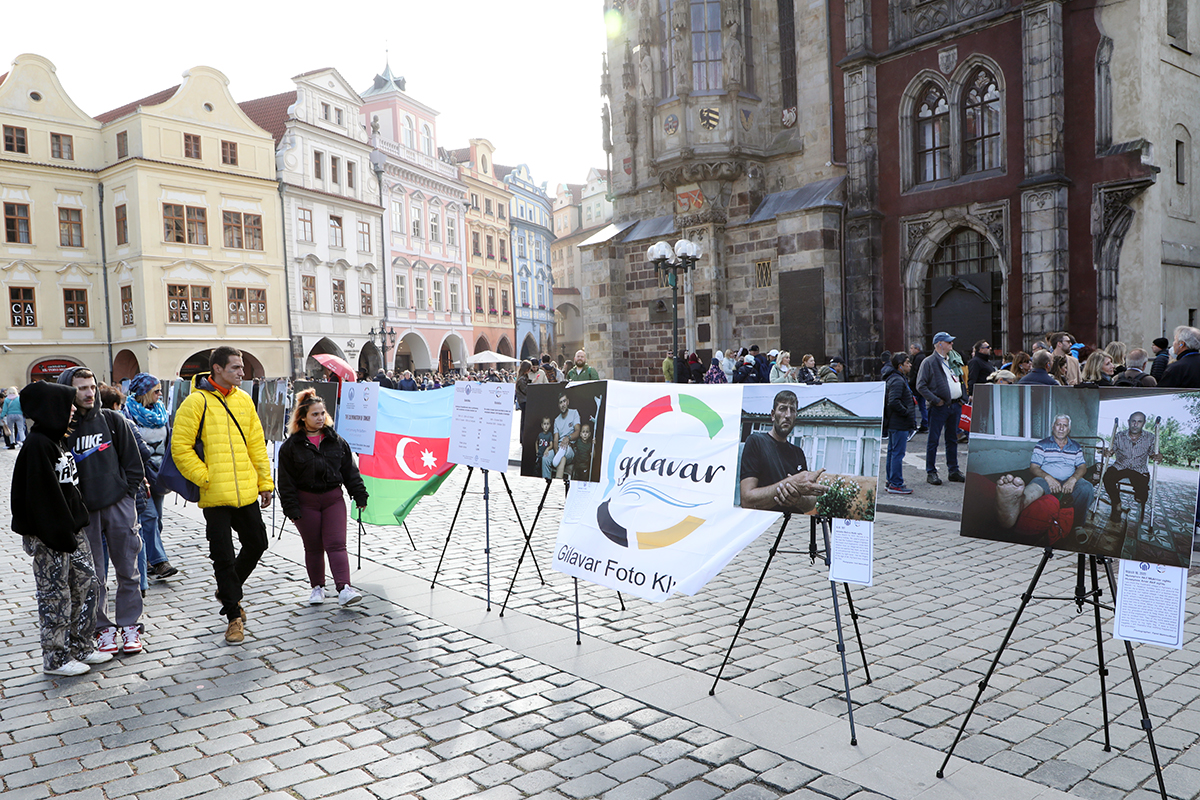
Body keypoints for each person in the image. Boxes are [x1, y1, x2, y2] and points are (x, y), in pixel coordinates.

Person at [172, 346, 274, 645]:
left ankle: (228, 589)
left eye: (242, 367)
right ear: (216, 369)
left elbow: (256, 444)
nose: (242, 373)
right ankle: (233, 615)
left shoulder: (243, 400)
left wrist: (265, 483)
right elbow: (180, 448)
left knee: (257, 543)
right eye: (235, 368)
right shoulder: (195, 403)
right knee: (223, 558)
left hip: (245, 492)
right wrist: (206, 478)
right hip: (215, 495)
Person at [12, 381, 113, 676]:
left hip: (71, 529)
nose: (73, 409)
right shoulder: (37, 446)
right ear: (51, 407)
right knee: (55, 596)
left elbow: (69, 490)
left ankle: (81, 646)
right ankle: (55, 658)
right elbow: (38, 499)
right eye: (67, 403)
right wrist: (57, 533)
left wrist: (75, 522)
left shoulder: (57, 439)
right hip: (50, 535)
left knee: (87, 586)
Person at [56, 367, 145, 655]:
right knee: (93, 577)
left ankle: (130, 625)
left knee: (128, 570)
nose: (88, 393)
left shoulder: (113, 420)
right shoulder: (62, 429)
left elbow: (134, 463)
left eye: (92, 386)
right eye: (81, 388)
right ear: (68, 391)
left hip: (118, 504)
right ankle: (102, 628)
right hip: (84, 513)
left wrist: (128, 496)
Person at [277, 389, 369, 606]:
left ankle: (344, 588)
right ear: (302, 417)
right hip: (305, 501)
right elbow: (285, 481)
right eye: (314, 414)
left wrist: (360, 494)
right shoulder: (291, 447)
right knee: (313, 546)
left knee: (336, 543)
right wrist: (290, 508)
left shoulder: (336, 441)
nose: (320, 418)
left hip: (333, 499)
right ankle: (317, 587)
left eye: (322, 414)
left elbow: (350, 471)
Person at [994, 415, 1094, 533]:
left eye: (1065, 425)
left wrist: (1073, 479)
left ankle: (1077, 526)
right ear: (1053, 427)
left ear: (1069, 429)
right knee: (1035, 488)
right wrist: (1048, 478)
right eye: (1058, 424)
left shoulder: (1076, 447)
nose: (1061, 428)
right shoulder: (1042, 444)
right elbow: (1034, 467)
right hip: (1045, 478)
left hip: (1069, 478)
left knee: (1087, 487)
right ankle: (1016, 505)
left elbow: (1082, 467)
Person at [124, 373, 179, 585]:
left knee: (158, 520)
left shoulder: (161, 413)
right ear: (145, 392)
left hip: (160, 473)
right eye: (156, 390)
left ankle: (145, 559)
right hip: (140, 473)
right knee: (150, 517)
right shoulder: (128, 414)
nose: (160, 393)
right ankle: (160, 562)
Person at [738, 390, 827, 512]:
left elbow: (810, 503)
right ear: (773, 415)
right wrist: (789, 483)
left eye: (793, 410)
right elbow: (747, 500)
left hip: (793, 526)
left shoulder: (798, 453)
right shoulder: (756, 441)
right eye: (783, 409)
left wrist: (798, 498)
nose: (788, 415)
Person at [915, 332, 965, 485]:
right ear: (940, 344)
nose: (951, 345)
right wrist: (936, 400)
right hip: (940, 406)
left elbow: (960, 377)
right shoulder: (929, 362)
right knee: (933, 440)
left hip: (954, 405)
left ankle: (953, 470)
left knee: (952, 439)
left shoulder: (952, 359)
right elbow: (920, 385)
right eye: (948, 342)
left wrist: (962, 397)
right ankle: (931, 471)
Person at [1100, 412, 1161, 522]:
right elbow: (1111, 449)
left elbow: (1153, 453)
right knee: (1107, 477)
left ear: (1144, 423)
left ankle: (1140, 494)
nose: (1135, 424)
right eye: (1133, 421)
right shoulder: (1119, 435)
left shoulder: (1150, 437)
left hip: (1139, 469)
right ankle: (1117, 503)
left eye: (1139, 421)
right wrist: (1107, 452)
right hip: (1121, 466)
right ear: (1128, 422)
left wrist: (1158, 456)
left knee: (1141, 495)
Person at [883, 353, 919, 494]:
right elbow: (894, 401)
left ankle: (890, 481)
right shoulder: (897, 380)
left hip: (895, 422)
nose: (910, 365)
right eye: (907, 362)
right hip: (899, 423)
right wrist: (906, 412)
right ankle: (896, 483)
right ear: (900, 366)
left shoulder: (896, 378)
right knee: (897, 453)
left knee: (892, 452)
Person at [542, 392, 580, 479]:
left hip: (570, 447)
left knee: (562, 457)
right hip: (559, 446)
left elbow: (578, 431)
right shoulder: (557, 420)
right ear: (558, 405)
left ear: (568, 402)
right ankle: (546, 481)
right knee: (545, 458)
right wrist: (556, 451)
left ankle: (557, 483)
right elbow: (555, 439)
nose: (563, 404)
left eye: (564, 401)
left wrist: (568, 438)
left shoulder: (574, 413)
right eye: (560, 402)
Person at [908, 344, 928, 432]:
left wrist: (911, 382)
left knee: (913, 405)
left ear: (917, 349)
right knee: (922, 405)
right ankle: (925, 423)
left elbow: (916, 372)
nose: (910, 350)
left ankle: (914, 424)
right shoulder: (922, 357)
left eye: (912, 348)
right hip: (921, 385)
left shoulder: (918, 358)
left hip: (916, 386)